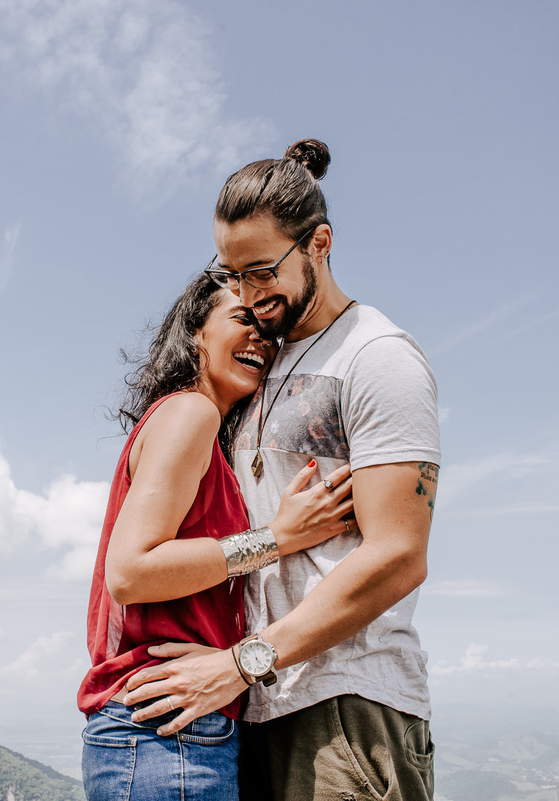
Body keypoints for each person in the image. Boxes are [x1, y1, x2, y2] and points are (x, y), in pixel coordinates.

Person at [123, 138, 441, 801]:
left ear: (320, 244)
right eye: (232, 273)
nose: (247, 292)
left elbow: (398, 555)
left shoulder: (377, 356)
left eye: (262, 271)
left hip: (348, 705)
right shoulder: (257, 370)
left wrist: (243, 661)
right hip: (254, 707)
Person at [79, 273, 355, 801]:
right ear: (195, 334)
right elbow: (130, 572)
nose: (261, 338)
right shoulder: (191, 411)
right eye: (242, 318)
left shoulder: (195, 431)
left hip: (170, 726)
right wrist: (277, 537)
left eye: (268, 330)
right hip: (163, 730)